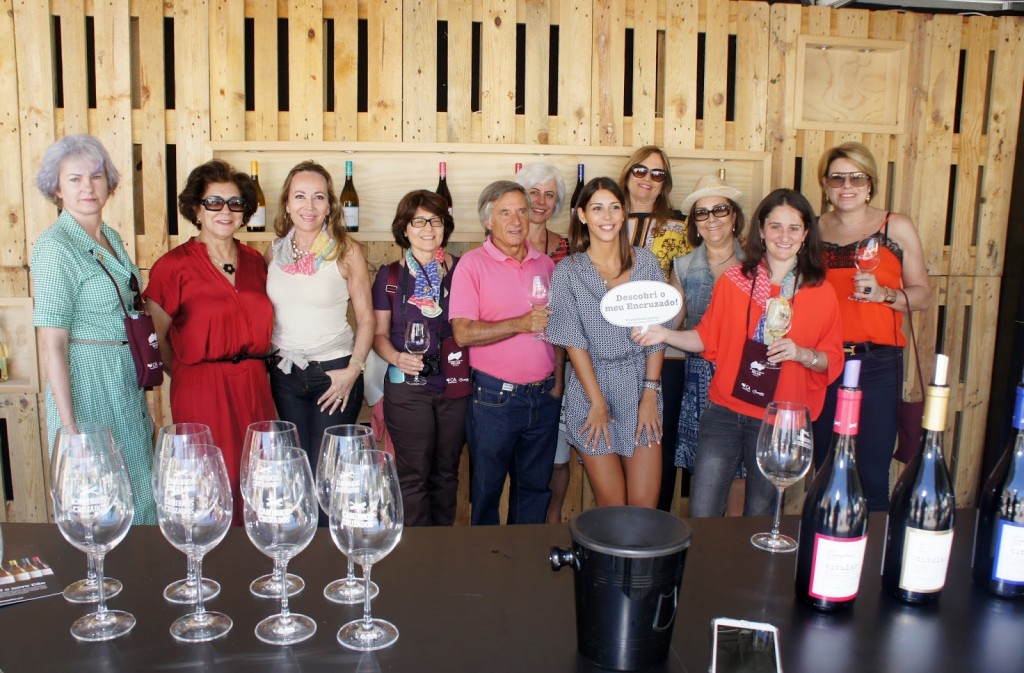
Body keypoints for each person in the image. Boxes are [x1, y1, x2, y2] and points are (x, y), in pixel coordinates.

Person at [634, 189, 843, 517]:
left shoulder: (820, 292)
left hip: (778, 417)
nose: (783, 236)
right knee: (702, 510)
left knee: (759, 513)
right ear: (761, 230)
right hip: (725, 411)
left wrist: (802, 354)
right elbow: (706, 337)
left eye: (793, 228)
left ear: (805, 234)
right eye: (775, 226)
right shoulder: (734, 281)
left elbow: (831, 360)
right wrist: (664, 334)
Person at [31, 134, 156, 525]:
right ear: (56, 188)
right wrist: (70, 430)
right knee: (100, 498)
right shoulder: (55, 247)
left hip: (123, 377)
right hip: (86, 380)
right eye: (75, 179)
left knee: (140, 489)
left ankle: (142, 564)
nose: (88, 186)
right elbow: (52, 342)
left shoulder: (111, 237)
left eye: (96, 176)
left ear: (109, 184)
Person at [145, 159, 276, 525]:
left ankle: (257, 556)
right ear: (196, 210)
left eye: (235, 203)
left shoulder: (255, 262)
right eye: (214, 202)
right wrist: (188, 371)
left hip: (254, 386)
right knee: (209, 483)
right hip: (201, 387)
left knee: (258, 479)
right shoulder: (173, 266)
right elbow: (156, 337)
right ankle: (208, 558)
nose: (225, 211)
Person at [811, 142, 931, 512]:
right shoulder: (813, 229)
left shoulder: (896, 226)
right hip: (824, 363)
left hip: (878, 362)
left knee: (872, 474)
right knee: (825, 468)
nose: (847, 185)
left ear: (870, 184)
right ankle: (826, 541)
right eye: (837, 178)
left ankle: (872, 548)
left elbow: (922, 295)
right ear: (825, 185)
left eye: (857, 177)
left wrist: (884, 294)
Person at [547, 177, 667, 508]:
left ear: (624, 213)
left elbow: (656, 334)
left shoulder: (646, 263)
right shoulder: (568, 272)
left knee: (644, 507)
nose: (607, 216)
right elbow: (573, 342)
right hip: (591, 390)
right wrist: (597, 403)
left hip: (640, 386)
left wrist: (650, 394)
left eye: (614, 207)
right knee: (612, 506)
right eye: (597, 208)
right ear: (582, 215)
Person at [449, 180, 562, 525]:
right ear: (488, 220)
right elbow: (463, 333)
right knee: (486, 491)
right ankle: (485, 559)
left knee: (535, 492)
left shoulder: (546, 265)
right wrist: (521, 323)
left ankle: (523, 558)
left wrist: (557, 382)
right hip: (494, 399)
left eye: (521, 211)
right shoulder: (471, 264)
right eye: (505, 213)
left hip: (543, 397)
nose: (516, 220)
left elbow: (558, 330)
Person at [265, 161, 373, 482]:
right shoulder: (273, 253)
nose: (309, 206)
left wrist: (354, 370)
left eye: (318, 197)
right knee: (297, 471)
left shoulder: (346, 251)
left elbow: (366, 319)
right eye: (300, 196)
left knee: (328, 473)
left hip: (334, 373)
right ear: (287, 204)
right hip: (285, 374)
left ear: (329, 206)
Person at [372, 190, 466, 526]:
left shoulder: (463, 270)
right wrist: (397, 358)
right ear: (404, 229)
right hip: (408, 388)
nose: (428, 228)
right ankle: (417, 549)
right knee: (412, 475)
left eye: (435, 220)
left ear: (445, 226)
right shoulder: (390, 277)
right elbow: (379, 335)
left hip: (455, 385)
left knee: (447, 473)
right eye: (418, 221)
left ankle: (442, 548)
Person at [618, 145, 692, 512]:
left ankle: (656, 527)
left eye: (658, 174)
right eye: (641, 170)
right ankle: (617, 527)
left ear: (665, 183)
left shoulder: (681, 227)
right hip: (611, 355)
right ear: (628, 174)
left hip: (665, 354)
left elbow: (684, 288)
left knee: (658, 441)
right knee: (615, 441)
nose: (648, 179)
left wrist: (661, 335)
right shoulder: (606, 218)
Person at [671, 175, 748, 512]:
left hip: (745, 376)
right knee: (706, 472)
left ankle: (738, 538)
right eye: (702, 213)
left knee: (742, 474)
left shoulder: (758, 263)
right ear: (695, 223)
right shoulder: (683, 266)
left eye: (720, 209)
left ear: (734, 217)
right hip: (700, 378)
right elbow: (673, 322)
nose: (711, 218)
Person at [515, 162, 570, 522]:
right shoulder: (501, 243)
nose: (540, 200)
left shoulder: (566, 249)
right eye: (533, 192)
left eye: (549, 194)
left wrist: (560, 377)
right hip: (508, 373)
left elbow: (568, 317)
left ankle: (552, 521)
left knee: (558, 458)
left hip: (555, 366)